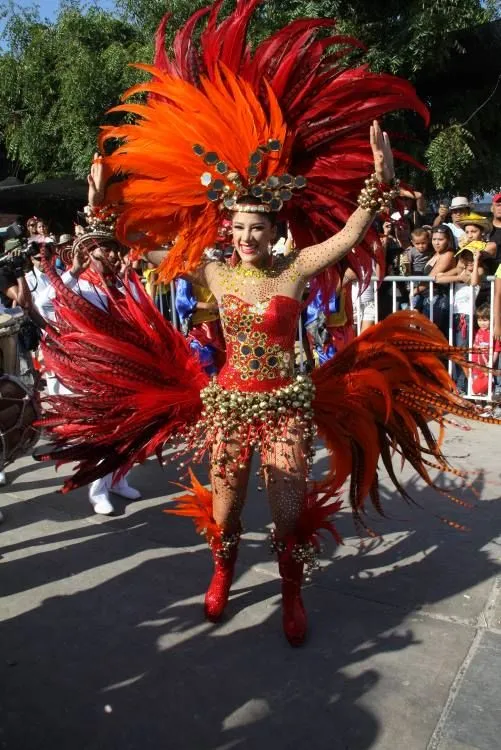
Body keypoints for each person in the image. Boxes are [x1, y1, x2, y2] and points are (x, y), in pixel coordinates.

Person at [34, 1, 500, 647]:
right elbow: (143, 244)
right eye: (238, 226)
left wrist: (377, 184)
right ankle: (222, 575)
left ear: (275, 228)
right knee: (223, 515)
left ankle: (289, 593)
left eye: (256, 226)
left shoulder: (297, 266)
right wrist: (101, 209)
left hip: (286, 406)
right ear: (228, 227)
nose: (245, 234)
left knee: (285, 517)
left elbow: (351, 234)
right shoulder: (213, 272)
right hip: (227, 404)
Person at [36, 231, 142, 515]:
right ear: (87, 255)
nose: (109, 256)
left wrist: (130, 281)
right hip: (90, 374)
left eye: (111, 250)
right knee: (101, 434)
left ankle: (119, 480)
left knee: (127, 431)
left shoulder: (119, 285)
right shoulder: (78, 287)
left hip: (124, 370)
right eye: (101, 251)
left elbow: (141, 316)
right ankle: (98, 492)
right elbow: (43, 304)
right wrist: (73, 272)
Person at [433, 245, 486, 393]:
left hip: (467, 316)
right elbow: (438, 278)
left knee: (461, 352)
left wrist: (475, 263)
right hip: (455, 315)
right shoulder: (459, 270)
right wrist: (458, 276)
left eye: (472, 258)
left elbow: (474, 282)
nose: (469, 262)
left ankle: (469, 385)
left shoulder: (479, 270)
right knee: (456, 351)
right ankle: (460, 385)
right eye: (467, 258)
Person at [412, 225, 455, 338]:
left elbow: (431, 277)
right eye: (434, 239)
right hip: (428, 298)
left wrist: (414, 291)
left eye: (440, 239)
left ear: (448, 240)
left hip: (439, 299)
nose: (436, 243)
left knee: (431, 336)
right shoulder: (436, 254)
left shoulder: (448, 254)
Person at [471, 303, 500, 398]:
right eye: (479, 320)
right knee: (477, 383)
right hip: (477, 364)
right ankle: (478, 401)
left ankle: (488, 402)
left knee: (488, 383)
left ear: (491, 320)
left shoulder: (493, 334)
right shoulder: (476, 332)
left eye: (485, 320)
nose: (482, 323)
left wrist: (492, 361)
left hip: (488, 364)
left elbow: (496, 349)